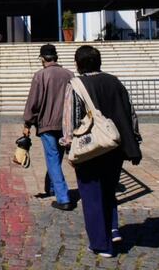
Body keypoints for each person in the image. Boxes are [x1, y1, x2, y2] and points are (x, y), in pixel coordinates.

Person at [61, 45, 142, 258]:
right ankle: (111, 230)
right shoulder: (114, 81)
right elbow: (130, 111)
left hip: (90, 146)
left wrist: (69, 145)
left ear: (78, 64)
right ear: (99, 62)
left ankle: (101, 244)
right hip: (114, 145)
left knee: (91, 195)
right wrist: (134, 139)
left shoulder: (76, 84)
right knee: (108, 191)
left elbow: (70, 117)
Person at [22, 44, 75, 211]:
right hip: (66, 124)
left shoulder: (40, 76)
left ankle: (63, 197)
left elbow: (33, 102)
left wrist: (27, 122)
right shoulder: (70, 75)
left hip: (46, 123)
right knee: (57, 157)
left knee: (52, 158)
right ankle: (52, 187)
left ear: (42, 59)